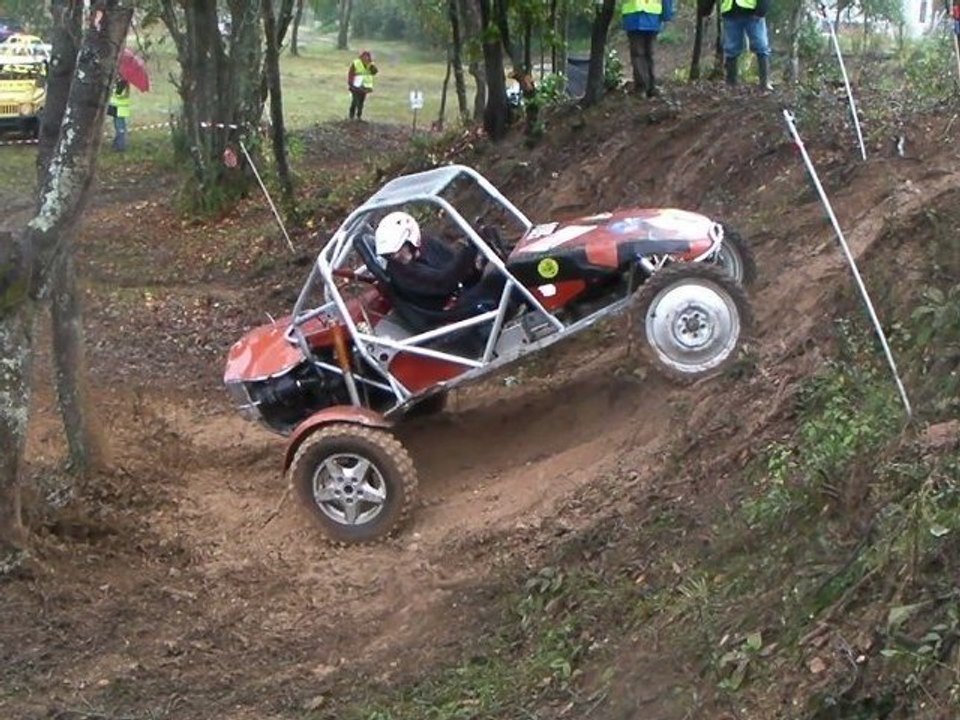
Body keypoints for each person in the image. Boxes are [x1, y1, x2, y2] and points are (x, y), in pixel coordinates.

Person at [374, 211, 483, 312]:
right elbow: (444, 282)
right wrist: (470, 248)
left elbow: (453, 261)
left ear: (411, 240)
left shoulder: (427, 243)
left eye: (399, 249)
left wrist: (476, 266)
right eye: (390, 254)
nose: (395, 256)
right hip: (447, 312)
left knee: (494, 277)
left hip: (461, 293)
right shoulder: (401, 272)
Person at [621, 0, 674, 98]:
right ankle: (649, 87)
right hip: (647, 17)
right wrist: (667, 14)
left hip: (635, 17)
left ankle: (644, 88)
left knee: (640, 54)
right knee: (648, 54)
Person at [721, 0, 772, 91]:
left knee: (761, 46)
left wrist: (761, 10)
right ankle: (730, 84)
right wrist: (706, 8)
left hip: (753, 12)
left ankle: (765, 83)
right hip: (730, 12)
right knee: (731, 48)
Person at [347, 50, 378, 121]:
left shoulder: (370, 64)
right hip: (356, 85)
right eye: (364, 57)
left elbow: (374, 72)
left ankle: (359, 116)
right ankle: (351, 116)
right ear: (361, 57)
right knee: (355, 101)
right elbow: (351, 73)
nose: (365, 58)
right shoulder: (356, 63)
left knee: (361, 101)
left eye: (367, 57)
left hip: (365, 86)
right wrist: (351, 83)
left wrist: (371, 65)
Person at [108, 78, 131, 151]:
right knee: (120, 128)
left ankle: (120, 146)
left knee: (120, 129)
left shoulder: (122, 84)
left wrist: (113, 88)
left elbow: (118, 93)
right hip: (122, 109)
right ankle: (117, 144)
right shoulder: (126, 84)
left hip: (118, 109)